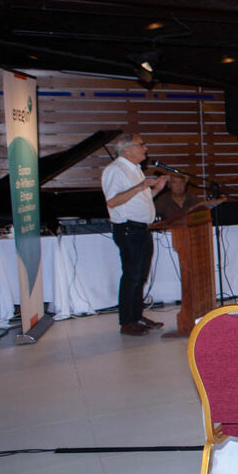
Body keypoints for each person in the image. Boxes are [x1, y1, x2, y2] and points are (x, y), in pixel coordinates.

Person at [102, 133, 166, 336]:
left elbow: (138, 199)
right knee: (132, 275)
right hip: (128, 230)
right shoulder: (115, 170)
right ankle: (127, 321)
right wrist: (141, 186)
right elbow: (112, 201)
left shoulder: (135, 169)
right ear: (127, 149)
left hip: (141, 229)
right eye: (141, 145)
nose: (145, 149)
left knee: (140, 276)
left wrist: (155, 190)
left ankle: (136, 315)